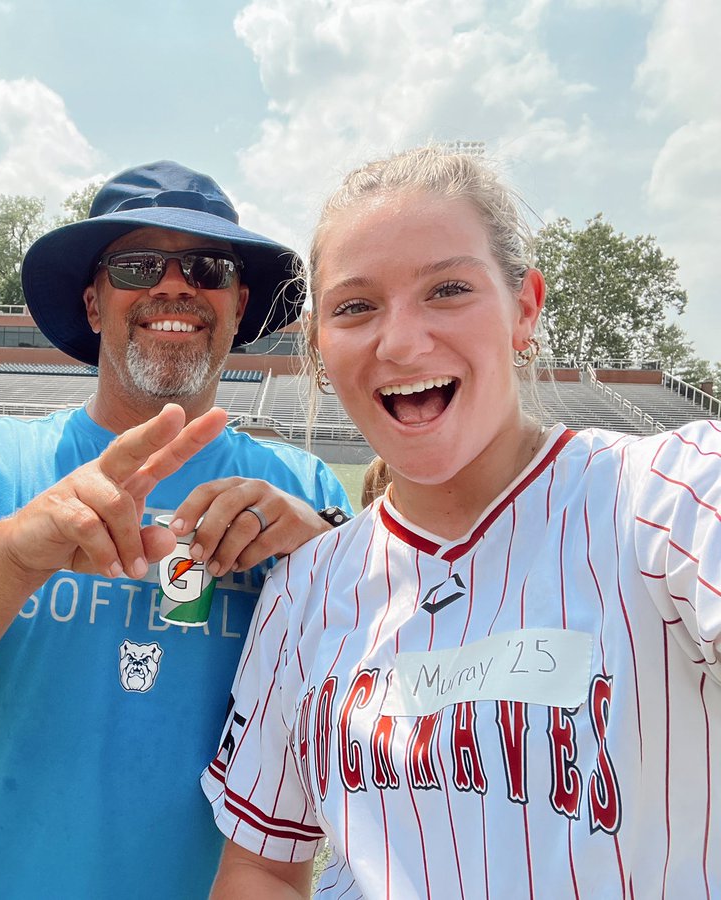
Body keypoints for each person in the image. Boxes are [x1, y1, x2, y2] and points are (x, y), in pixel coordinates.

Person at [0, 160, 351, 899]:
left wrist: (323, 545)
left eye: (207, 267)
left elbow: (393, 721)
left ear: (237, 305)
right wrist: (13, 551)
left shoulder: (307, 491)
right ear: (95, 303)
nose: (175, 286)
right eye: (137, 265)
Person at [204, 146, 721, 898]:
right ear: (319, 344)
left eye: (448, 289)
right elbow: (262, 865)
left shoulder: (666, 496)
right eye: (355, 306)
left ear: (525, 308)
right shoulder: (302, 592)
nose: (403, 342)